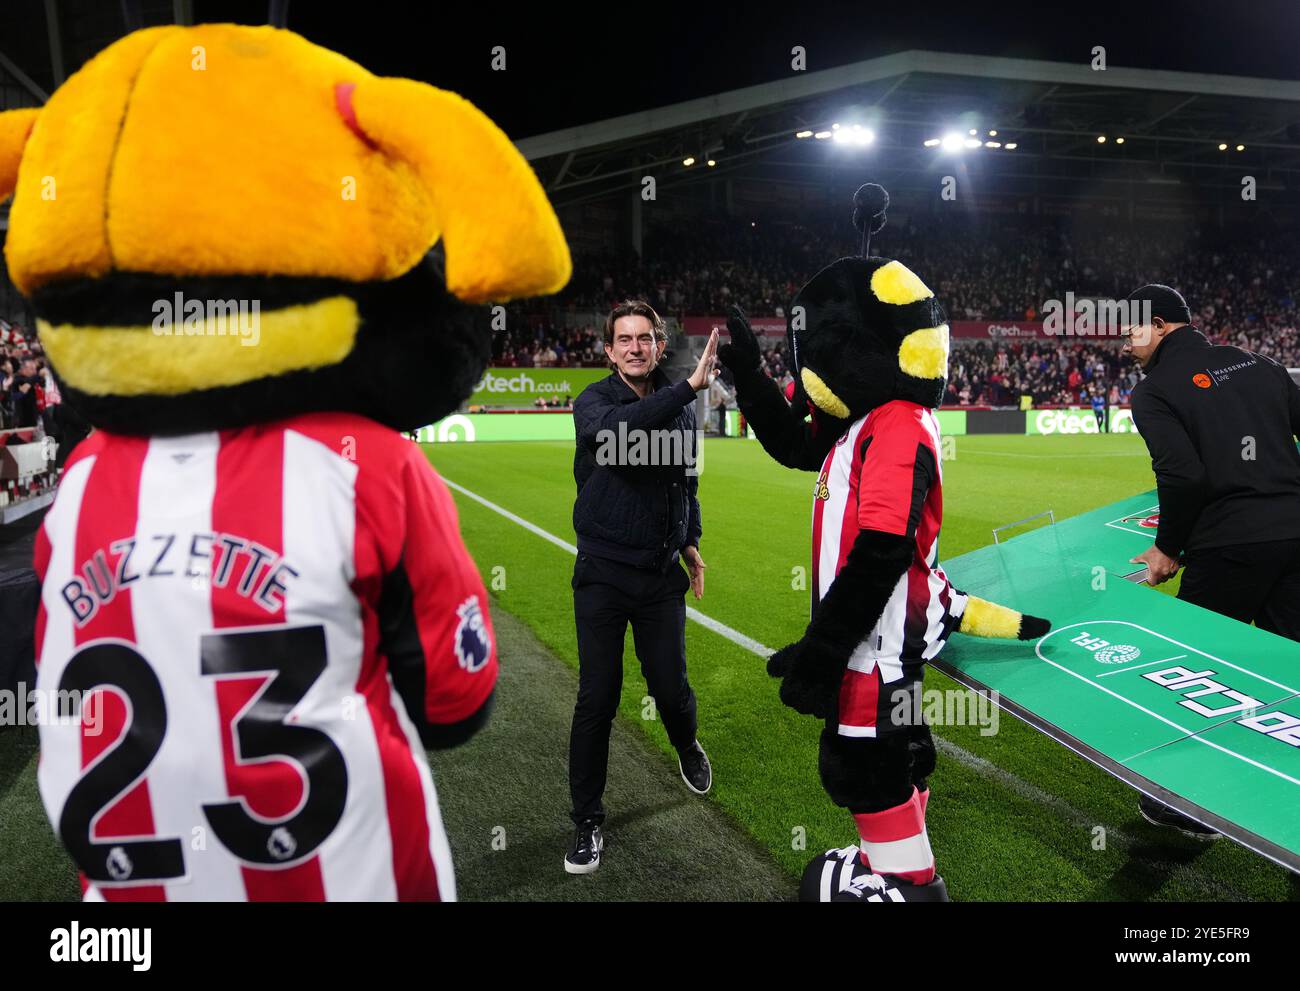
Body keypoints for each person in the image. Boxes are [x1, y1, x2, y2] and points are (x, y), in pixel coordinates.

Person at [1122, 283, 1300, 837]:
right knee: (1287, 669)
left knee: (1201, 673)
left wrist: (1167, 548)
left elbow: (1184, 476)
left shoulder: (1153, 392)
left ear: (1161, 325)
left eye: (1131, 329)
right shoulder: (1258, 363)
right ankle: (1283, 797)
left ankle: (1191, 807)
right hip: (1294, 536)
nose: (1125, 343)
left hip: (1229, 545)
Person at [564, 299, 719, 874]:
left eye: (644, 339)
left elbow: (687, 482)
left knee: (672, 689)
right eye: (623, 339)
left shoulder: (679, 411)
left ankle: (685, 744)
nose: (634, 347)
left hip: (659, 576)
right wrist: (684, 390)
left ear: (657, 345)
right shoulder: (594, 403)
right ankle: (586, 823)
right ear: (609, 350)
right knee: (597, 698)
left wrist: (690, 541)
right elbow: (617, 437)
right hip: (602, 573)